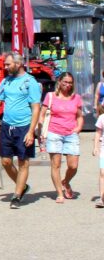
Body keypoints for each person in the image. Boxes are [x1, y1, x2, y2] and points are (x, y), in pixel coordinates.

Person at [0, 51, 42, 209]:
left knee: (23, 163)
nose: (5, 67)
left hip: (24, 127)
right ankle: (22, 186)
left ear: (19, 64)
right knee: (6, 161)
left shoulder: (30, 82)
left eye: (8, 64)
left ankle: (16, 195)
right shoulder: (5, 82)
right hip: (7, 126)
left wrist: (31, 131)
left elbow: (36, 108)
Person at [42, 72, 82, 203]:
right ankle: (59, 193)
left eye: (70, 82)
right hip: (54, 132)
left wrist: (78, 128)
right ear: (59, 82)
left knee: (73, 166)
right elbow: (41, 115)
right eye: (65, 82)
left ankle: (66, 181)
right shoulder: (50, 96)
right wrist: (42, 129)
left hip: (71, 133)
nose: (68, 85)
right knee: (56, 164)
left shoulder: (76, 98)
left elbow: (80, 116)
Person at [94, 106, 104, 208]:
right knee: (102, 172)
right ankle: (102, 198)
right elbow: (98, 133)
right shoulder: (102, 118)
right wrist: (95, 147)